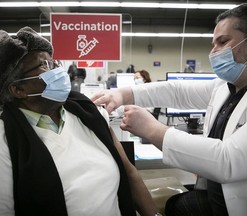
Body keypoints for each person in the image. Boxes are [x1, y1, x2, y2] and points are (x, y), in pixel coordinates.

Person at [92, 2, 247, 216]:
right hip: (213, 197)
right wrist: (123, 94)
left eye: (223, 41)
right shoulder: (229, 85)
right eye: (214, 43)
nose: (213, 52)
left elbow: (230, 160)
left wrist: (153, 130)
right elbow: (177, 91)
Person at [0, 26, 159, 216]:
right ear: (18, 89)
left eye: (54, 62)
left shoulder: (89, 114)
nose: (57, 70)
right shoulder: (5, 140)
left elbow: (129, 173)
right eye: (45, 65)